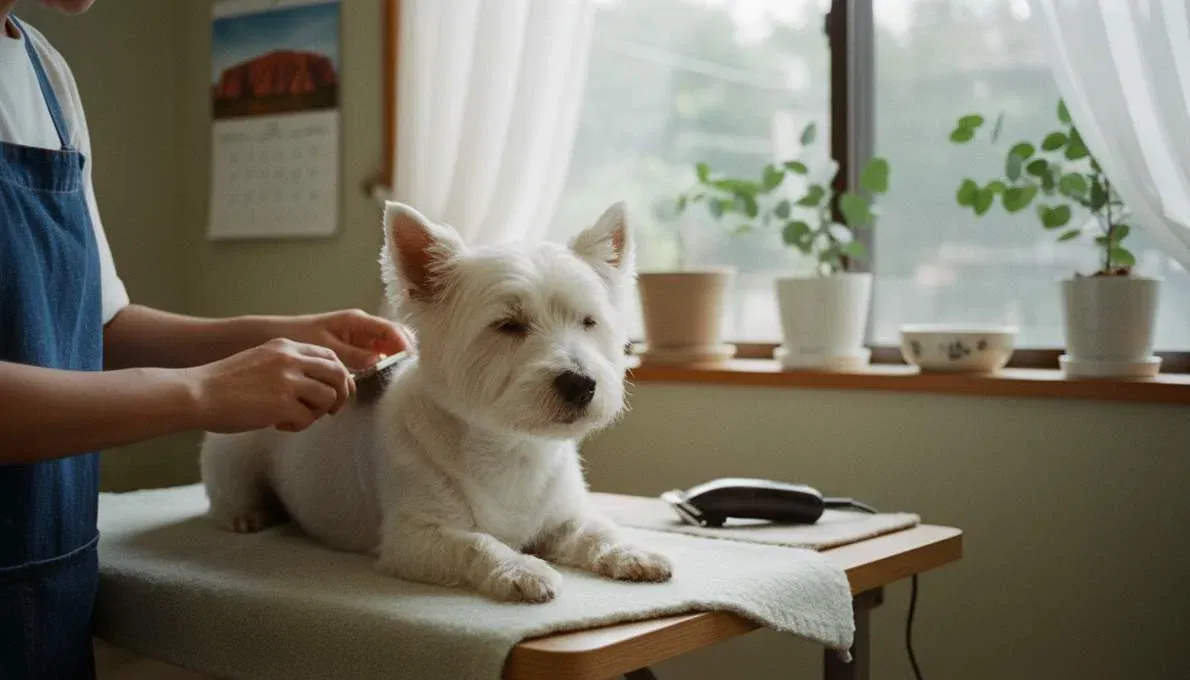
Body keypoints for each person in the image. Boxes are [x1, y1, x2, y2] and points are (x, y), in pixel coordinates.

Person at [0, 1, 411, 677]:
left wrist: (287, 335)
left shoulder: (47, 76)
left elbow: (98, 326)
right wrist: (200, 393)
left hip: (48, 587)